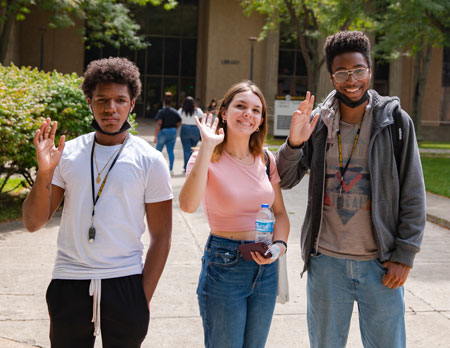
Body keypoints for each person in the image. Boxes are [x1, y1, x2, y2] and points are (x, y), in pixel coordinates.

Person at [276, 31, 426, 348]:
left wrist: (405, 255)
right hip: (326, 264)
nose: (351, 80)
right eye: (342, 73)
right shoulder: (317, 124)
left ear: (369, 70)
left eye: (358, 70)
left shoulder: (396, 123)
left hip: (381, 266)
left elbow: (413, 195)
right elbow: (284, 178)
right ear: (331, 77)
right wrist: (294, 142)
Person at [22, 57, 173, 347]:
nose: (110, 108)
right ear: (90, 102)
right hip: (69, 280)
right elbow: (33, 222)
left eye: (120, 100)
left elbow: (161, 236)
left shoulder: (150, 160)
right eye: (102, 99)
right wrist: (44, 172)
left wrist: (143, 297)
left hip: (125, 280)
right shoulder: (68, 154)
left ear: (132, 104)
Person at [179, 81, 290, 347]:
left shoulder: (266, 158)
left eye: (256, 110)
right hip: (225, 263)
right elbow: (187, 205)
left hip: (266, 264)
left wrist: (280, 246)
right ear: (224, 112)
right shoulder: (205, 156)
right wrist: (207, 146)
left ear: (261, 120)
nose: (248, 114)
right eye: (240, 106)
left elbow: (281, 214)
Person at [154, 91, 182, 173]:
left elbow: (159, 123)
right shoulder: (175, 111)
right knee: (170, 151)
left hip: (163, 132)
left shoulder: (161, 112)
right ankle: (170, 169)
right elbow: (179, 122)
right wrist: (175, 128)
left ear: (163, 102)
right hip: (173, 132)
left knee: (158, 151)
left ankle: (155, 168)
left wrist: (155, 135)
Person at [179, 96, 204, 171]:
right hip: (195, 129)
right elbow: (201, 120)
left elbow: (178, 119)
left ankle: (186, 166)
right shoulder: (198, 111)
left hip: (185, 128)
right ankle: (192, 165)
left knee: (186, 149)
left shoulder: (181, 110)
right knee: (193, 148)